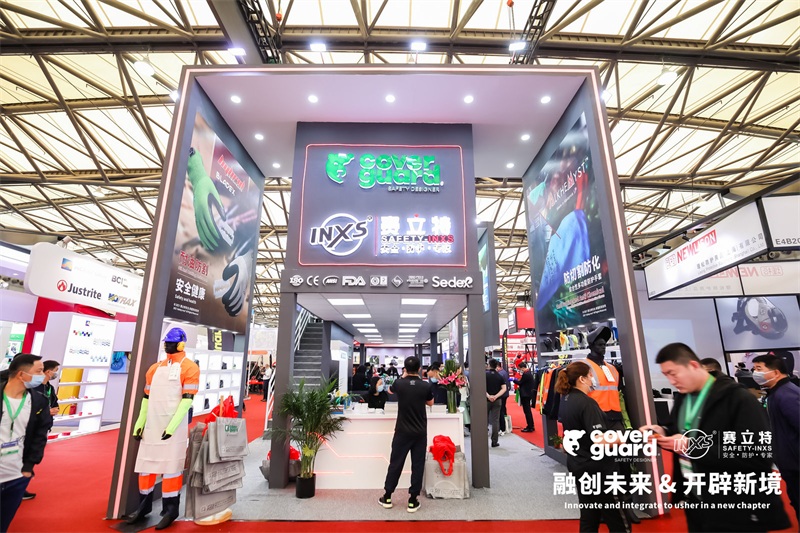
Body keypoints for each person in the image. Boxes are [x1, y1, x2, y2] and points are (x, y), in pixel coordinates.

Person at [641, 343, 790, 532]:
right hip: (697, 502)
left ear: (693, 366)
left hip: (735, 507)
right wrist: (663, 432)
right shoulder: (684, 398)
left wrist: (692, 447)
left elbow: (758, 456)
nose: (671, 381)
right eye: (666, 375)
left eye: (673, 373)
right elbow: (681, 432)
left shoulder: (738, 398)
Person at [126, 328, 200, 530]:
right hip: (151, 425)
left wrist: (172, 427)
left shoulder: (190, 368)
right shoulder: (154, 368)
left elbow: (187, 400)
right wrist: (139, 423)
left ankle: (170, 509)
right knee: (146, 467)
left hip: (172, 427)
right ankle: (143, 506)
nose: (167, 345)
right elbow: (146, 398)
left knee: (171, 469)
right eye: (166, 342)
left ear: (181, 345)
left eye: (171, 342)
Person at [557, 361, 630, 533]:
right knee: (618, 519)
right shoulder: (587, 403)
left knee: (589, 516)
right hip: (599, 469)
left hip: (579, 465)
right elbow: (599, 439)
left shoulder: (566, 400)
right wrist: (626, 438)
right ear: (582, 379)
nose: (593, 379)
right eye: (590, 376)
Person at [0, 354, 53, 533]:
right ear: (21, 375)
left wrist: (28, 468)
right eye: (39, 371)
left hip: (16, 477)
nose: (43, 375)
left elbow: (39, 436)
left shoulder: (39, 401)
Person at [379, 356, 433, 513]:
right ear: (419, 369)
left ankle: (387, 496)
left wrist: (403, 376)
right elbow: (430, 403)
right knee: (417, 465)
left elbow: (390, 390)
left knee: (395, 463)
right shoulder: (425, 385)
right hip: (420, 432)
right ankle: (412, 500)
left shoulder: (399, 383)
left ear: (405, 369)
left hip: (402, 431)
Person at [752, 353, 799, 521]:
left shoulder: (786, 395)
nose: (755, 373)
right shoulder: (776, 392)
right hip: (788, 461)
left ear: (776, 372)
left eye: (759, 369)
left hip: (795, 463)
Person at [22, 360, 61, 501]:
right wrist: (45, 412)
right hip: (28, 428)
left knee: (30, 457)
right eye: (38, 370)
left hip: (43, 426)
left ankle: (21, 486)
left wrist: (53, 410)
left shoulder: (49, 388)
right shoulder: (33, 388)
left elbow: (54, 403)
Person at [485, 359, 506, 448]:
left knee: (484, 420)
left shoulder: (485, 375)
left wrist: (488, 396)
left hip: (486, 400)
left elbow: (481, 387)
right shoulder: (500, 376)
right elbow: (504, 388)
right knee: (495, 421)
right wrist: (496, 396)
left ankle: (483, 441)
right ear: (496, 366)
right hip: (497, 401)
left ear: (489, 365)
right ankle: (494, 441)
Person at [516, 361, 535, 432]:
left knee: (527, 411)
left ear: (522, 368)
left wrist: (514, 380)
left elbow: (520, 383)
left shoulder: (526, 374)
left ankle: (530, 426)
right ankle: (531, 425)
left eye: (519, 368)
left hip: (525, 394)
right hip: (528, 393)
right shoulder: (528, 373)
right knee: (528, 411)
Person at [497, 361, 511, 434]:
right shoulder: (504, 372)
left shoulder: (500, 374)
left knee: (501, 410)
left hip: (502, 394)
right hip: (505, 393)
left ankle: (503, 427)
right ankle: (506, 424)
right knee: (503, 408)